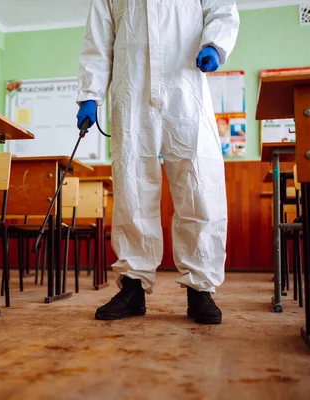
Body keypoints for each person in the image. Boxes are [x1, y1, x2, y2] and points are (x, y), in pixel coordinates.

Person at [76, 0, 239, 324]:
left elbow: (222, 9)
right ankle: (133, 287)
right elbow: (98, 39)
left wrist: (215, 45)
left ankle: (200, 290)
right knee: (132, 187)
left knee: (199, 185)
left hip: (186, 87)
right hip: (131, 91)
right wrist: (90, 94)